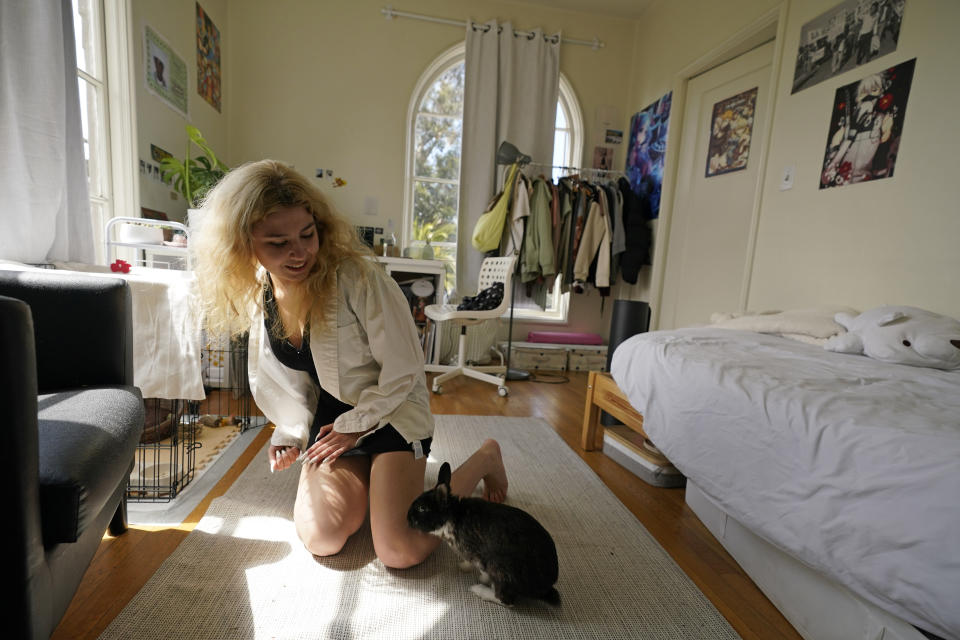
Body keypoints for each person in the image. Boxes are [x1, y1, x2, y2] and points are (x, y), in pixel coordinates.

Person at [191, 159, 508, 569]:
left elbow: (405, 368)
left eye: (307, 234)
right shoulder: (262, 294)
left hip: (390, 407)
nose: (299, 251)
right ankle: (373, 481)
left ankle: (484, 457)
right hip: (333, 419)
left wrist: (353, 428)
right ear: (244, 245)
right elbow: (288, 379)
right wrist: (289, 432)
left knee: (400, 550)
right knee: (323, 538)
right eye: (277, 242)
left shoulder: (358, 278)